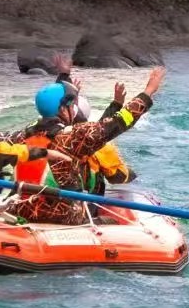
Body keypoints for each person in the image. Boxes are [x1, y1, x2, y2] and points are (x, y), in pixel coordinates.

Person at [10, 66, 166, 225]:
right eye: (71, 106)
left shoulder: (19, 137)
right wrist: (147, 93)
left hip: (21, 210)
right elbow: (118, 123)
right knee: (112, 223)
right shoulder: (71, 137)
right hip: (63, 217)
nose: (73, 109)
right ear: (63, 110)